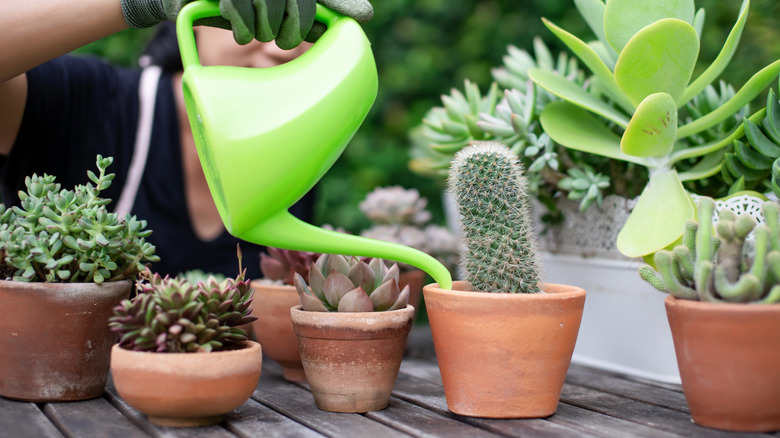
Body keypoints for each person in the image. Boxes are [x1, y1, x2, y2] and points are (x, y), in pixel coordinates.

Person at [0, 0, 372, 279]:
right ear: (193, 19)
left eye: (307, 27)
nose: (280, 48)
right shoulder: (92, 102)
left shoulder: (297, 149)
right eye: (255, 17)